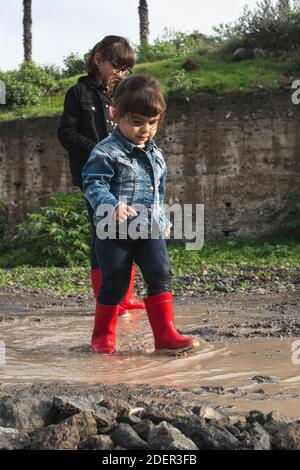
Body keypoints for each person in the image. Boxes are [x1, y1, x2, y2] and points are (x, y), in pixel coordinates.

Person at [82, 75, 200, 354]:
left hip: (150, 228)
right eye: (136, 122)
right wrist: (110, 205)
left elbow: (158, 190)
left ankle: (166, 335)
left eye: (152, 123)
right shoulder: (106, 151)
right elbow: (93, 182)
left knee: (160, 273)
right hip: (113, 231)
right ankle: (103, 337)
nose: (145, 130)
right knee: (116, 282)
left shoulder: (155, 153)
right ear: (115, 115)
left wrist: (164, 219)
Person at [57, 36, 144, 316]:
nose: (121, 72)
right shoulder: (78, 94)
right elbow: (65, 133)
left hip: (124, 175)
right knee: (101, 235)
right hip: (94, 176)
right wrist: (98, 149)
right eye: (117, 65)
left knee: (128, 232)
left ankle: (126, 296)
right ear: (98, 60)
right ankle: (105, 300)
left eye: (126, 68)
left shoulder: (122, 95)